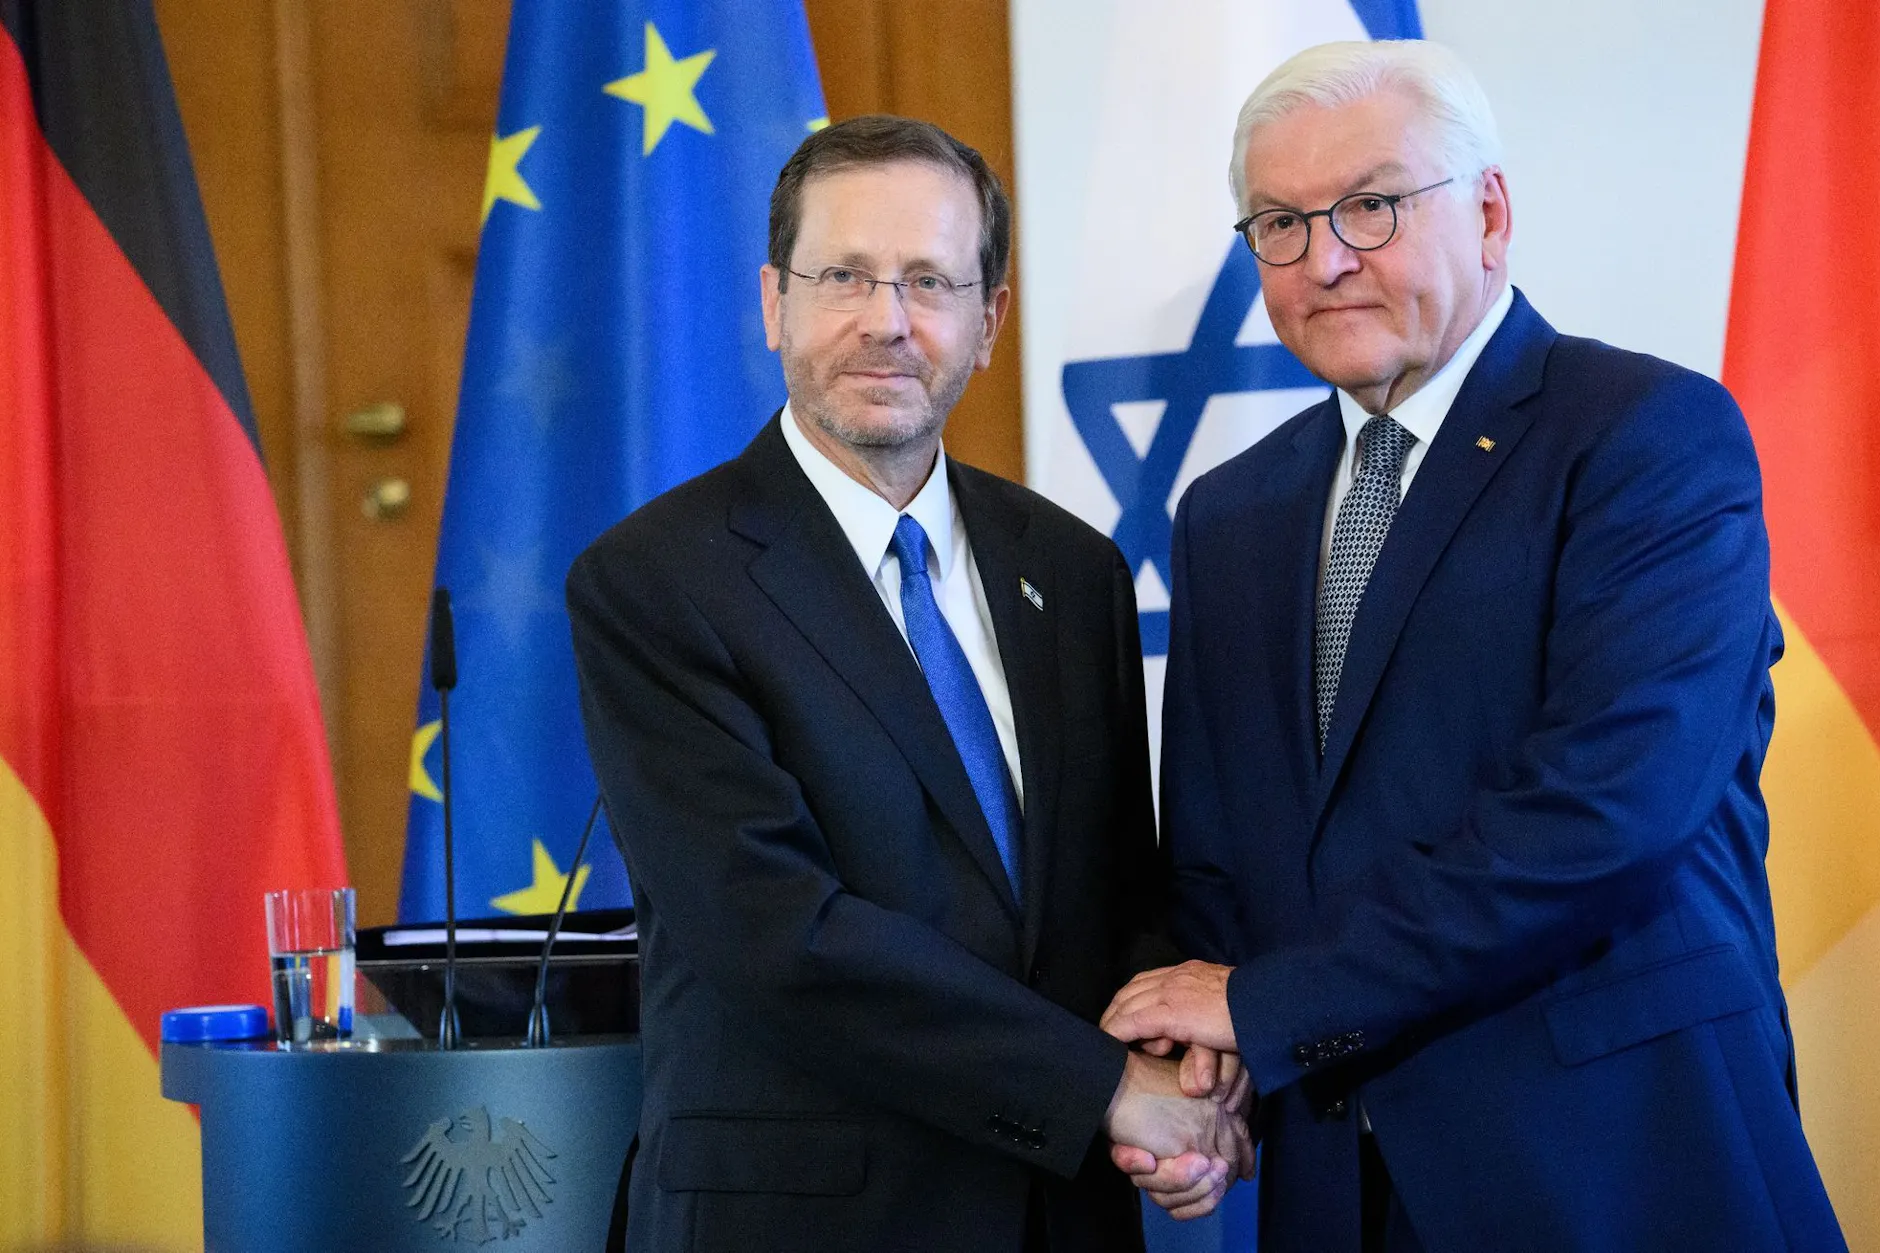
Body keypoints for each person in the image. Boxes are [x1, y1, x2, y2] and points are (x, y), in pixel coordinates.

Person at [1099, 39, 1846, 1252]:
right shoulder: (1228, 511)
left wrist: (1270, 1004)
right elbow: (1220, 854)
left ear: (1489, 212)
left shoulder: (1644, 436)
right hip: (1339, 1191)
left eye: (1371, 206)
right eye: (1278, 224)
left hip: (1619, 1168)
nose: (1323, 258)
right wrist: (1205, 1081)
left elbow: (1606, 813)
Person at [568, 115, 1250, 1253]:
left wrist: (1193, 1082)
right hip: (801, 1216)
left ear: (988, 321)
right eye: (843, 275)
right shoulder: (653, 581)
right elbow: (776, 932)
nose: (887, 321)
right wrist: (1106, 1087)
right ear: (773, 302)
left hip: (1057, 1208)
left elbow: (1110, 888)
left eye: (931, 280)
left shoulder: (1071, 569)